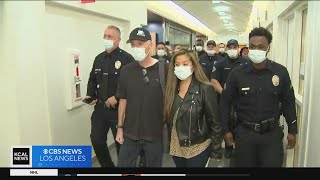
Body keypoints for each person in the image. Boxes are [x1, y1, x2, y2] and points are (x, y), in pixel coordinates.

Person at [220, 27, 297, 167]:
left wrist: (292, 130)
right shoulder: (237, 74)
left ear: (268, 47)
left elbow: (288, 102)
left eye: (261, 47)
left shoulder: (280, 72)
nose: (256, 50)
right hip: (245, 134)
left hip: (271, 135)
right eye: (252, 46)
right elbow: (225, 103)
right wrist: (226, 130)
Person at [116, 27, 168, 167]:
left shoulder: (164, 69)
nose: (135, 47)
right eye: (133, 45)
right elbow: (123, 100)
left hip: (154, 134)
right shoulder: (127, 71)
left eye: (140, 44)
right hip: (130, 133)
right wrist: (120, 127)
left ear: (149, 45)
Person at [84, 25, 134, 167]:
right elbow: (92, 79)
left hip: (119, 110)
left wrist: (117, 97)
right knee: (96, 139)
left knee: (121, 145)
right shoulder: (99, 58)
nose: (106, 39)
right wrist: (90, 95)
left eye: (110, 36)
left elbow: (131, 85)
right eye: (105, 36)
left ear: (118, 40)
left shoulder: (127, 59)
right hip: (101, 109)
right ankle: (108, 167)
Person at [163, 48, 222, 167]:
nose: (181, 67)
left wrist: (215, 151)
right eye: (177, 64)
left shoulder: (205, 89)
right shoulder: (171, 90)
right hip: (176, 147)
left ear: (193, 66)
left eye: (185, 64)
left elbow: (215, 122)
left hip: (198, 147)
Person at [210, 39, 248, 159]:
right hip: (225, 100)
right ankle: (228, 147)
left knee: (243, 123)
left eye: (234, 47)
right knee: (226, 124)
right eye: (230, 47)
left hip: (243, 100)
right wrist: (224, 93)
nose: (232, 49)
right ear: (226, 49)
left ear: (238, 48)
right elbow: (214, 81)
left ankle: (242, 148)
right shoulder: (220, 63)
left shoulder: (246, 62)